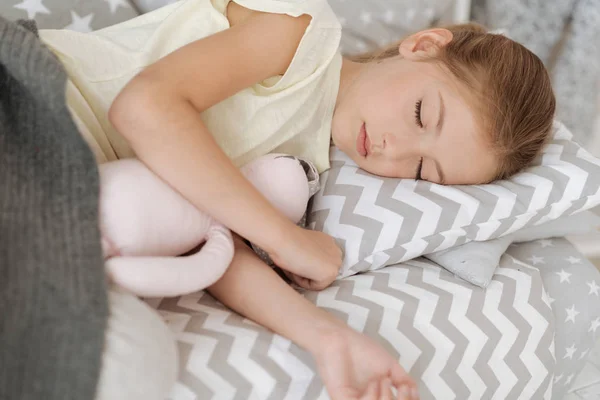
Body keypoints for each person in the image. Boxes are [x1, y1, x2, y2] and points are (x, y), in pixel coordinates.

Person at [37, 0, 556, 399]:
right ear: (423, 45)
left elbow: (214, 238)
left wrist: (331, 340)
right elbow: (145, 107)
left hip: (72, 205)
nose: (396, 151)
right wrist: (284, 237)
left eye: (423, 170)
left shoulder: (309, 165)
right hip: (37, 107)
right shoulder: (300, 29)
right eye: (422, 114)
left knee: (132, 365)